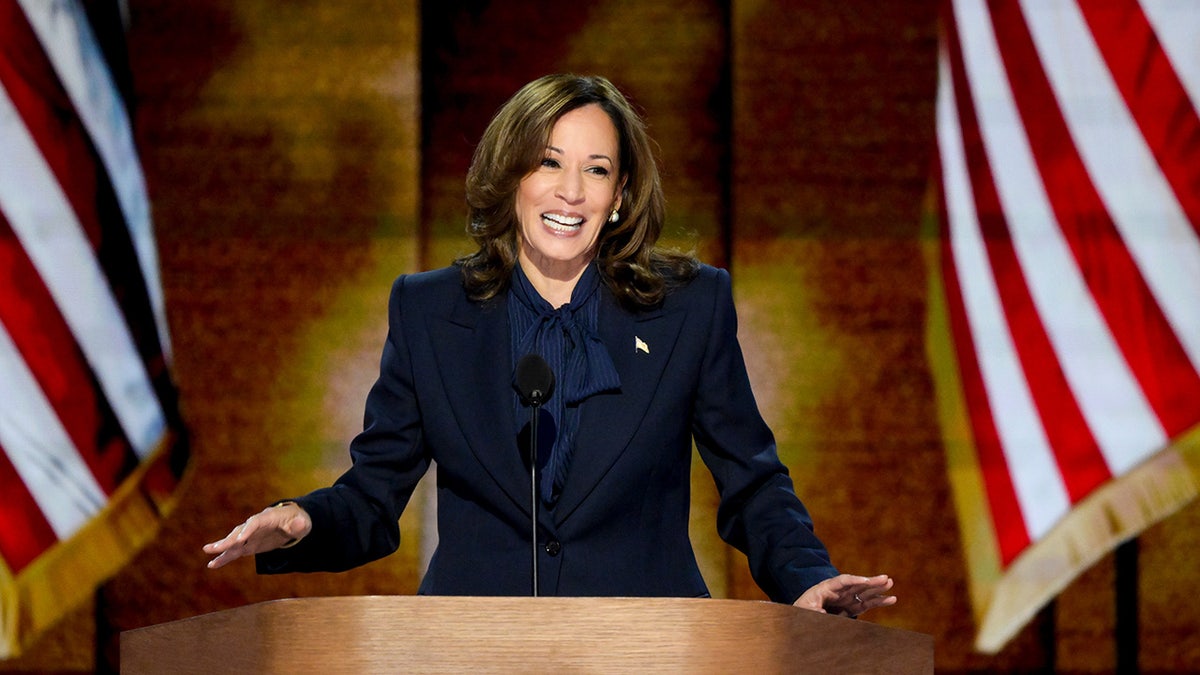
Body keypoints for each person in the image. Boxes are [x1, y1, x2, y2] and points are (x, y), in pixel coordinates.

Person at [204, 73, 896, 618]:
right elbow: (373, 497)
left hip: (647, 647)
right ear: (512, 177)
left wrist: (808, 579)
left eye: (596, 170)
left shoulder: (689, 306)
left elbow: (753, 485)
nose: (570, 191)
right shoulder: (429, 309)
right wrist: (302, 520)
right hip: (471, 647)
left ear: (620, 194)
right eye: (548, 162)